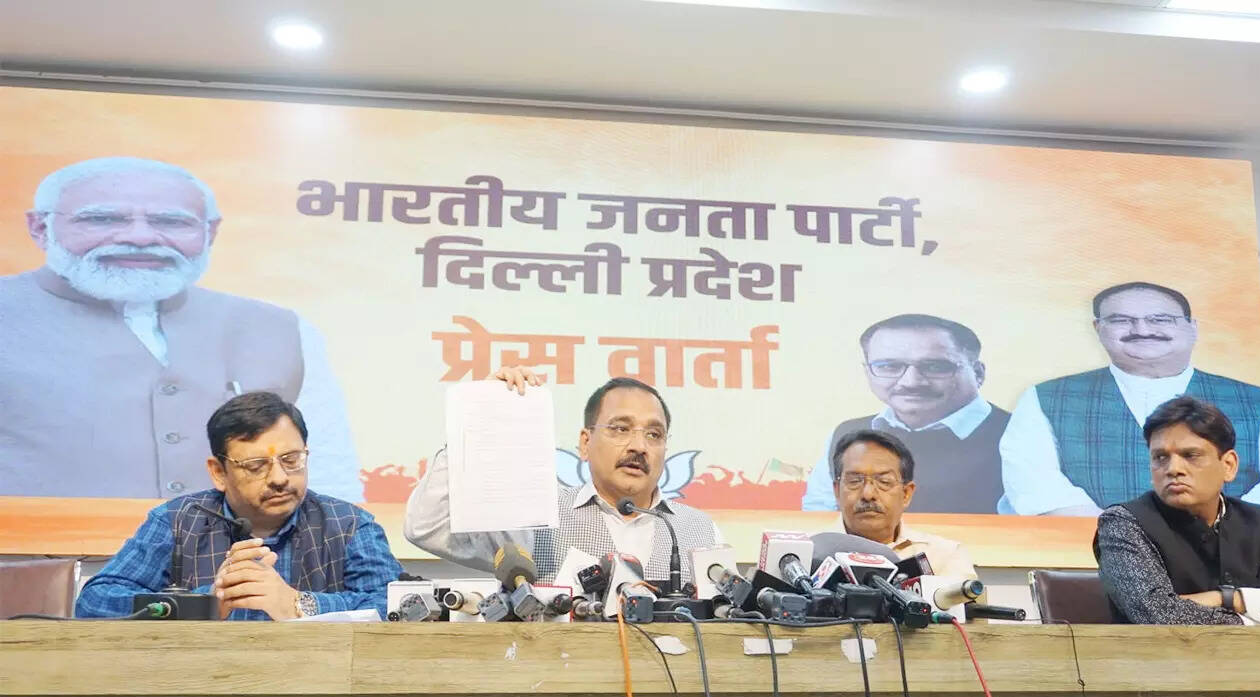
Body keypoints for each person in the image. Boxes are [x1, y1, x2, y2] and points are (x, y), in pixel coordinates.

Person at [0, 156, 362, 501]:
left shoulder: (277, 327)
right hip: (37, 545)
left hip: (235, 546)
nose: (141, 237)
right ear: (40, 228)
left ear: (210, 232)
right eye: (102, 218)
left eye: (172, 222)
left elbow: (327, 473)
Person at [76, 392, 402, 620]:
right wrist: (203, 604)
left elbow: (399, 606)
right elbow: (94, 603)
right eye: (256, 466)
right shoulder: (176, 521)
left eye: (291, 460)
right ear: (219, 472)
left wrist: (298, 603)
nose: (279, 478)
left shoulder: (349, 525)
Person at [405, 367, 723, 585]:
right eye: (621, 429)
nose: (639, 446)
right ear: (585, 443)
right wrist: (479, 418)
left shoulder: (702, 531)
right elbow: (426, 526)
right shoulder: (537, 516)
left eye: (654, 434)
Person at [1001, 282, 1260, 515]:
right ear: (1098, 328)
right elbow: (1035, 484)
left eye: (1161, 319)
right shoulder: (1046, 398)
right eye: (1121, 320)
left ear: (1192, 327)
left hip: (1230, 553)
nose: (1142, 330)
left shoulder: (1259, 401)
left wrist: (1221, 531)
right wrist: (1119, 538)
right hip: (1092, 552)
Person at [1094, 396, 1260, 624]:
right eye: (1160, 457)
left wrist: (1229, 598)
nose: (1173, 469)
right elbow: (1159, 617)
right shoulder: (1124, 524)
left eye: (1190, 455)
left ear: (1228, 466)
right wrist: (1256, 617)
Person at [802, 314, 1009, 513]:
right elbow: (819, 516)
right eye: (889, 366)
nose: (911, 382)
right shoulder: (848, 433)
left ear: (978, 373)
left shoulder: (1015, 435)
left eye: (935, 367)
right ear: (867, 372)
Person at [829, 429, 978, 579]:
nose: (868, 494)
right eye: (854, 481)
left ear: (906, 493)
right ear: (836, 491)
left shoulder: (944, 556)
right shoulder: (815, 554)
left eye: (884, 481)